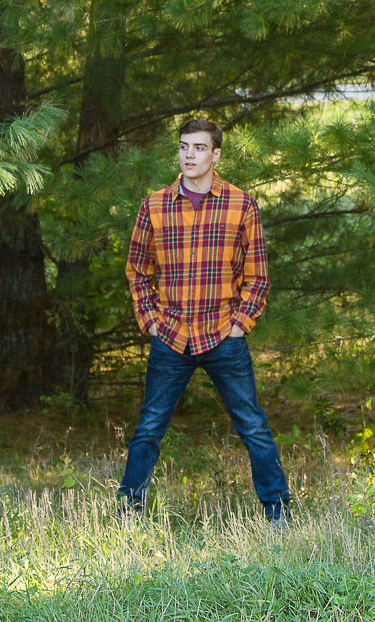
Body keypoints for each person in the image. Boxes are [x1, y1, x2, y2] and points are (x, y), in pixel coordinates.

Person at [117, 116, 290, 523]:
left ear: (216, 154)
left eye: (198, 148)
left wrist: (239, 324)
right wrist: (151, 321)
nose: (189, 155)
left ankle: (278, 512)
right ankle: (128, 512)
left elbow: (257, 275)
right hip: (171, 335)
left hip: (222, 335)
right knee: (149, 428)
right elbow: (138, 270)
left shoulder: (241, 204)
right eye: (183, 147)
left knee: (253, 427)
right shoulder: (155, 205)